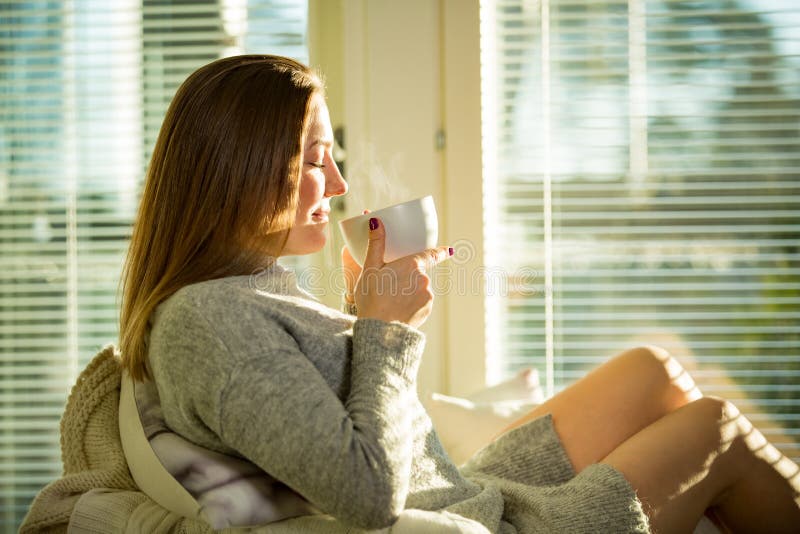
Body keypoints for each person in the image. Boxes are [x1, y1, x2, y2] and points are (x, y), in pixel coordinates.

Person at [119, 54, 800, 533]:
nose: (337, 185)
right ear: (234, 170)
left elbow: (323, 423)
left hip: (468, 496)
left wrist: (363, 319)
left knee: (652, 370)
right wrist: (388, 331)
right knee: (716, 429)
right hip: (464, 526)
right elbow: (366, 496)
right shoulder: (206, 323)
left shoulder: (248, 294)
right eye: (310, 159)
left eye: (334, 155)